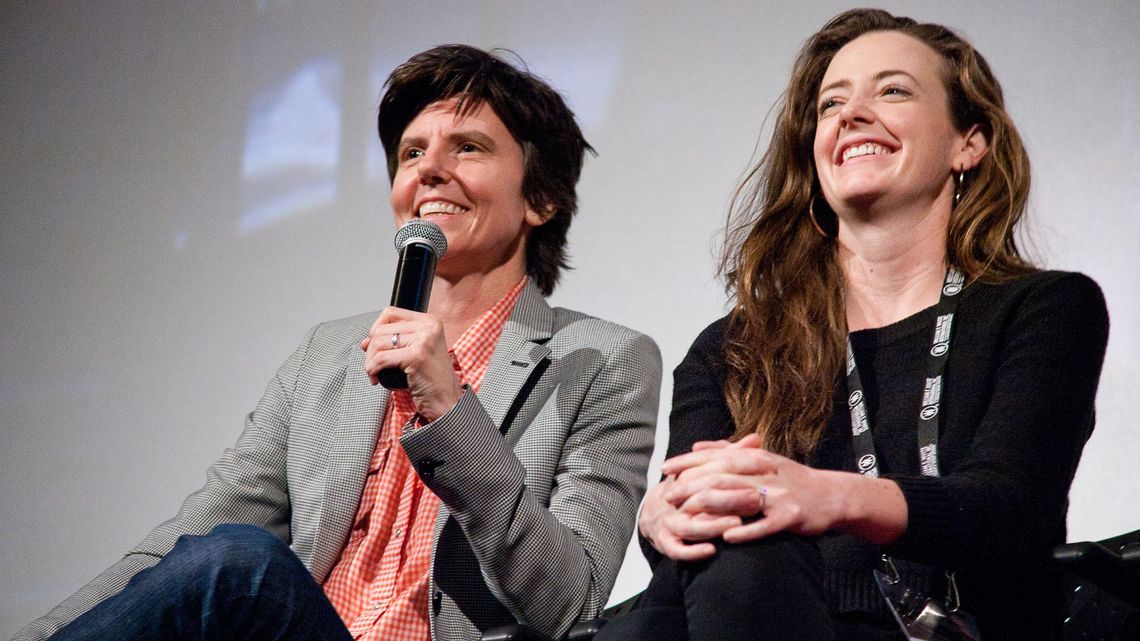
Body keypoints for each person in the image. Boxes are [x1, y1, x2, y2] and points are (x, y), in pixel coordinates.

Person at [15, 44, 661, 641]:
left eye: (468, 148)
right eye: (412, 154)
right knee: (220, 553)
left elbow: (571, 603)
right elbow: (183, 545)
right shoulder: (327, 355)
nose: (430, 170)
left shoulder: (604, 362)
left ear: (541, 198)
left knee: (244, 564)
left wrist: (452, 411)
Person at [603, 9, 1108, 641]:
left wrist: (825, 496)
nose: (851, 115)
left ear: (968, 142)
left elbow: (1013, 512)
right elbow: (691, 550)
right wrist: (667, 513)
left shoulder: (1045, 308)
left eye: (893, 90)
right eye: (830, 104)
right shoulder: (731, 348)